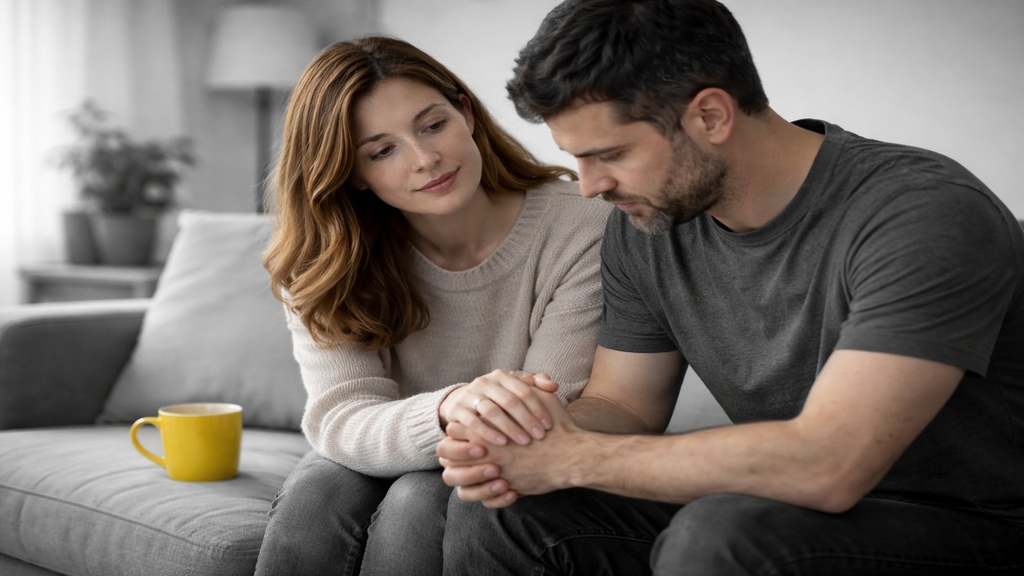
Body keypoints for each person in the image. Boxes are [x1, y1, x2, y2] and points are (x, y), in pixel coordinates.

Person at [436, 0, 1024, 574]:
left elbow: (830, 464)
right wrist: (519, 435)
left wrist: (574, 458)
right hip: (783, 506)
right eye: (577, 160)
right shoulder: (646, 224)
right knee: (504, 511)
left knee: (725, 535)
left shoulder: (922, 213)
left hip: (978, 523)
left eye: (610, 154)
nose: (591, 187)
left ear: (711, 116)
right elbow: (624, 405)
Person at [254, 35, 610, 576]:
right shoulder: (324, 259)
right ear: (352, 173)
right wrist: (449, 409)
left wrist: (464, 418)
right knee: (319, 488)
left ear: (465, 111)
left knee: (419, 498)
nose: (426, 159)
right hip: (386, 451)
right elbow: (340, 417)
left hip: (519, 468)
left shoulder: (581, 226)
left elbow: (547, 411)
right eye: (382, 150)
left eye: (433, 124)